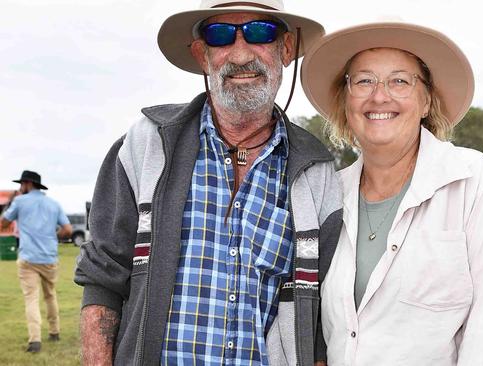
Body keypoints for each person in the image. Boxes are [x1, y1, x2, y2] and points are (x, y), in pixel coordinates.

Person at [73, 1, 342, 365]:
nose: (241, 53)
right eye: (220, 35)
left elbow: (321, 316)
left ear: (287, 49)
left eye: (261, 32)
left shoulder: (318, 173)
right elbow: (103, 279)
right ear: (202, 54)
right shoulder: (145, 145)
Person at [301, 22, 483, 365]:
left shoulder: (470, 182)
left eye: (400, 80)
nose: (379, 95)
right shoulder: (326, 194)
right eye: (364, 80)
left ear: (426, 100)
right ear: (346, 99)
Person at [0, 170, 72, 353]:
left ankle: (35, 341)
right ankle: (54, 332)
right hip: (49, 257)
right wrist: (52, 237)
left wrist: (12, 202)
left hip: (28, 258)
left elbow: (3, 223)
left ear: (27, 184)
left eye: (21, 184)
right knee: (50, 295)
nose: (19, 187)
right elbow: (68, 230)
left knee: (31, 298)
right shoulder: (53, 204)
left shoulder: (20, 201)